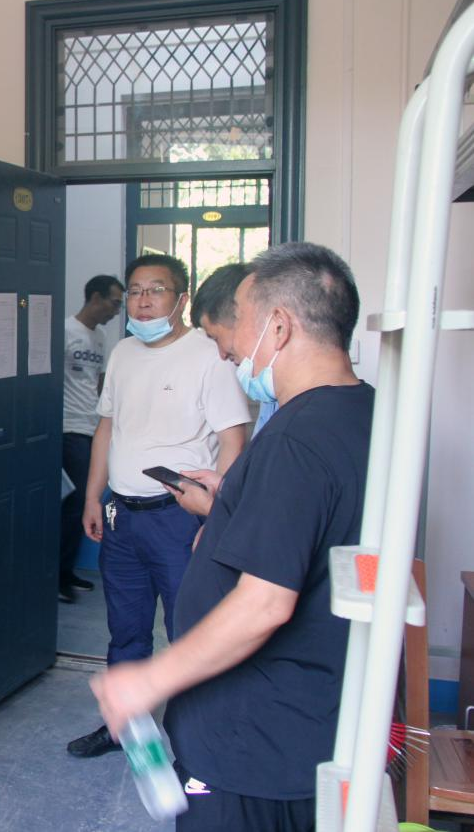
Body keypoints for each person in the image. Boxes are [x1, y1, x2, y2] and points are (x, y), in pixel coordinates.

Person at [91, 242, 370, 831]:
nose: (227, 347)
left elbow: (265, 603)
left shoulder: (296, 440)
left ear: (279, 325)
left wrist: (149, 680)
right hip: (309, 719)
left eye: (238, 320)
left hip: (254, 739)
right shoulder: (359, 412)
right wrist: (229, 500)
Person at [67, 253, 249, 759]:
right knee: (125, 630)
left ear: (182, 299)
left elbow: (233, 439)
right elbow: (107, 428)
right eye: (135, 290)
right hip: (122, 516)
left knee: (189, 631)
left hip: (178, 519)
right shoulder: (123, 353)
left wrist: (216, 516)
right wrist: (93, 496)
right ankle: (125, 730)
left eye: (157, 290)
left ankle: (197, 745)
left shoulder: (209, 355)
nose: (143, 300)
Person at [170, 264, 281, 519]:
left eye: (216, 337)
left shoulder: (301, 424)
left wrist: (211, 512)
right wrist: (223, 490)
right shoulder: (272, 397)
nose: (221, 354)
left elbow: (276, 525)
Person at [60, 274, 125, 603]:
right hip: (68, 428)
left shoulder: (100, 337)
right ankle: (58, 576)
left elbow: (98, 384)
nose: (117, 311)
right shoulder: (65, 331)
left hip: (91, 426)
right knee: (76, 504)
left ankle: (66, 571)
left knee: (81, 504)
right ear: (95, 298)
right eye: (114, 303)